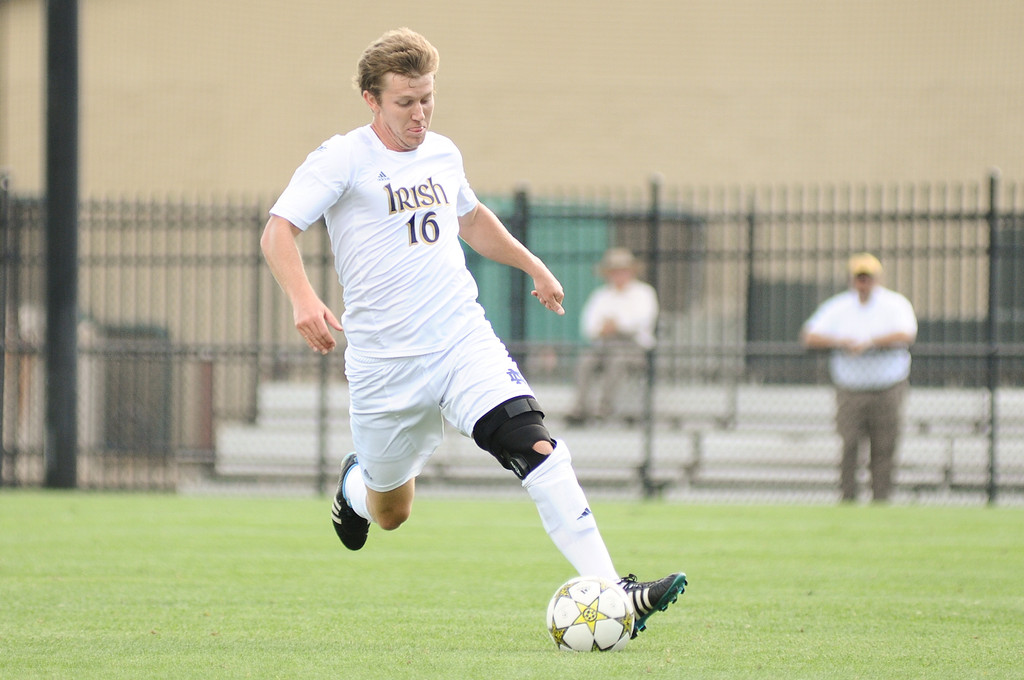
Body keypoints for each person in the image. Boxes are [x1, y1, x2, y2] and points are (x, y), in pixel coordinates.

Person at [260, 28, 685, 637]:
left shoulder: (443, 153)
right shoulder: (342, 159)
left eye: (427, 98)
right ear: (370, 99)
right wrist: (303, 299)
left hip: (462, 341)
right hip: (386, 367)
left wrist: (533, 265)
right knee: (391, 511)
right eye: (405, 101)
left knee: (534, 444)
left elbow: (472, 218)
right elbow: (277, 231)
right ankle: (356, 486)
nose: (420, 113)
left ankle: (616, 591)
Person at [800, 253, 918, 502]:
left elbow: (906, 334)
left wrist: (870, 342)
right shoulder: (839, 306)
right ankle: (848, 498)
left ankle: (881, 499)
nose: (863, 284)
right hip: (850, 387)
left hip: (887, 386)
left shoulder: (894, 304)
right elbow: (809, 335)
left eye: (868, 278)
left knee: (884, 446)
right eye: (859, 278)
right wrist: (843, 341)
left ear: (877, 279)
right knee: (850, 444)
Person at [566, 248, 659, 426]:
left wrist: (617, 324)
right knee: (586, 361)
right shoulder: (601, 295)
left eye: (623, 271)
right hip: (604, 345)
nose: (619, 275)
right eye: (615, 271)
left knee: (617, 360)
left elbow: (642, 320)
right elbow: (589, 326)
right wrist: (605, 328)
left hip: (633, 346)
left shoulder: (644, 293)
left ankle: (605, 407)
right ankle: (580, 407)